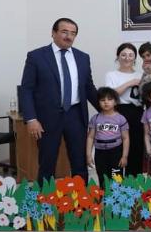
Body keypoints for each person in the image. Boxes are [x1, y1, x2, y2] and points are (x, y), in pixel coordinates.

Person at [19, 18, 99, 183]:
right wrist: (31, 119)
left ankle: (82, 196)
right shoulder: (36, 56)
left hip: (76, 115)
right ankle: (45, 197)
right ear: (53, 33)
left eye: (73, 33)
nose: (69, 36)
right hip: (47, 118)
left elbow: (89, 88)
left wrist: (107, 112)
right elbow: (27, 89)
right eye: (64, 32)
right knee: (47, 162)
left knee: (79, 162)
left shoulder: (83, 57)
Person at [104, 43, 144, 176]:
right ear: (118, 57)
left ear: (135, 58)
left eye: (131, 55)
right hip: (118, 112)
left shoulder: (141, 75)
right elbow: (111, 95)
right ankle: (116, 182)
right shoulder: (111, 75)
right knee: (117, 147)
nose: (127, 58)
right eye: (124, 55)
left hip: (137, 113)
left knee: (136, 147)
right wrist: (130, 83)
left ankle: (134, 181)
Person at [86, 87, 129, 183]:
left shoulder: (121, 118)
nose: (106, 102)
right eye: (102, 100)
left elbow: (126, 138)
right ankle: (104, 192)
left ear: (115, 102)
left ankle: (117, 193)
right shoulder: (95, 119)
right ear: (98, 102)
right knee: (102, 177)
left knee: (116, 178)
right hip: (100, 152)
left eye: (109, 99)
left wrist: (124, 156)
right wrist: (88, 155)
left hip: (116, 152)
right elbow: (90, 137)